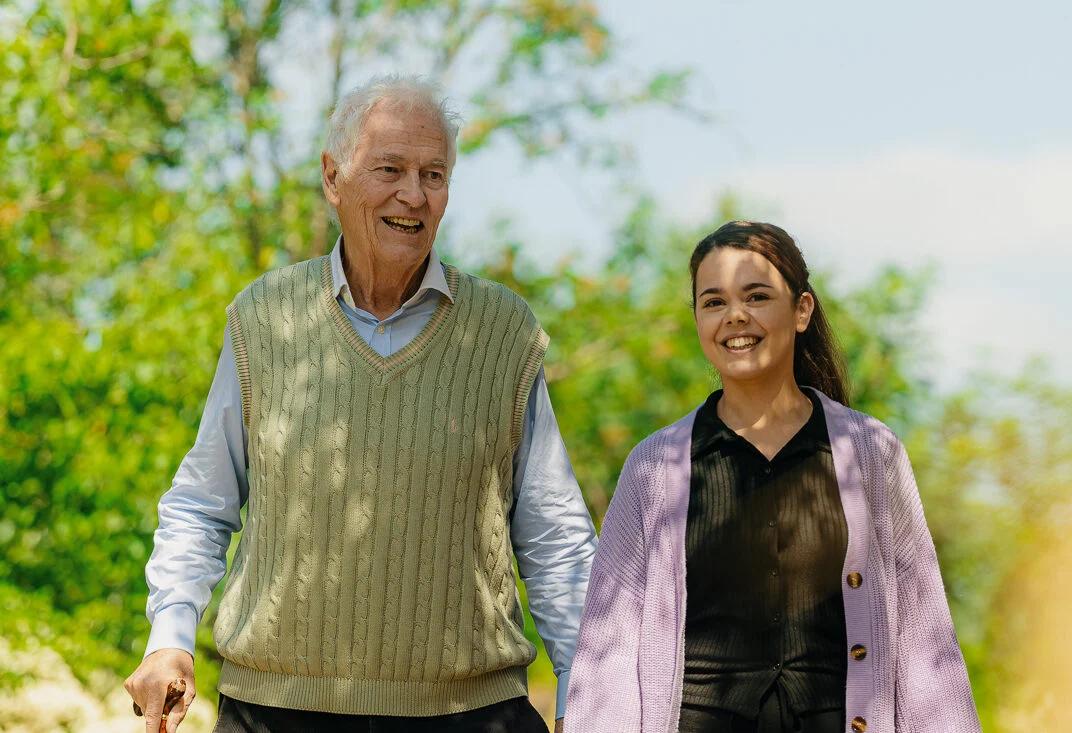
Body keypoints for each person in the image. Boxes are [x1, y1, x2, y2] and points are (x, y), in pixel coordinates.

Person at [124, 74, 595, 733]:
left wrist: (588, 694)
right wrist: (168, 635)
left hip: (471, 715)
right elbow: (203, 504)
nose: (414, 194)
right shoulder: (266, 319)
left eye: (434, 174)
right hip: (277, 711)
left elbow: (554, 535)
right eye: (390, 168)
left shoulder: (503, 332)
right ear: (332, 177)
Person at [564, 221, 981, 733]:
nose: (734, 316)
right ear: (697, 318)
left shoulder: (872, 454)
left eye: (756, 296)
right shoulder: (653, 467)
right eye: (713, 302)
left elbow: (925, 642)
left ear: (801, 309)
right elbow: (609, 653)